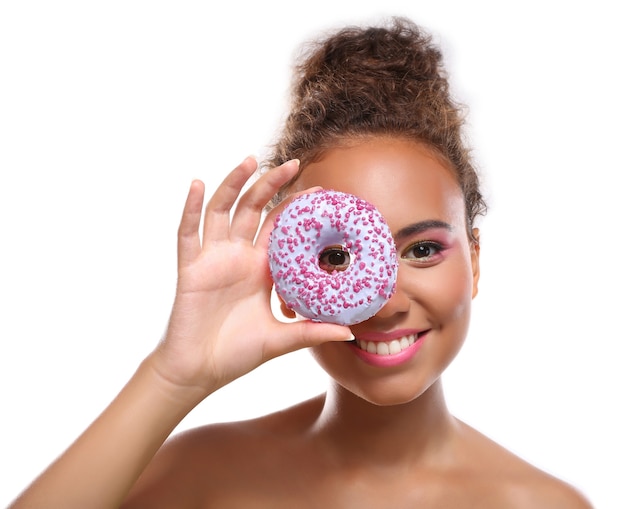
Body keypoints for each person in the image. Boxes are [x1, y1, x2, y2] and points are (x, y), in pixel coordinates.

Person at [9, 17, 592, 508]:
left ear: (477, 260)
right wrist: (172, 377)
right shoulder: (204, 477)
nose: (385, 302)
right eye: (337, 257)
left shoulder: (541, 503)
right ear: (285, 276)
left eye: (421, 250)